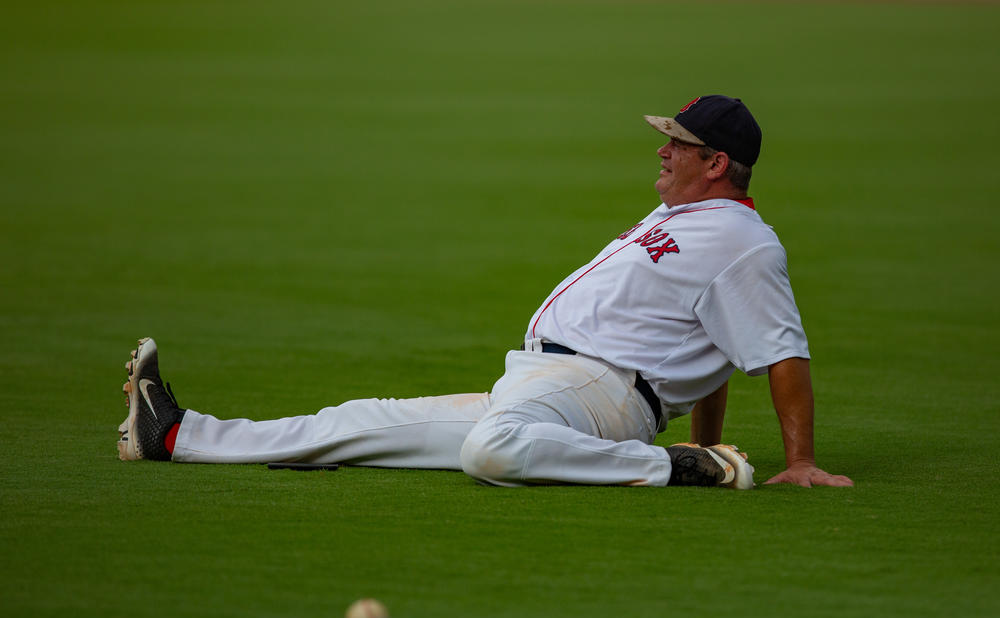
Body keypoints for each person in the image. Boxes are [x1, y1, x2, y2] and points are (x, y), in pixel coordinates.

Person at [117, 95, 853, 490]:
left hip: (608, 397)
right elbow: (717, 343)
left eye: (680, 143)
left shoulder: (745, 243)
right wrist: (709, 433)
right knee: (364, 420)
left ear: (718, 162)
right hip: (552, 382)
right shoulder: (685, 213)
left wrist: (797, 462)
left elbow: (779, 353)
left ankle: (675, 473)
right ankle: (180, 436)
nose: (663, 147)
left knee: (492, 450)